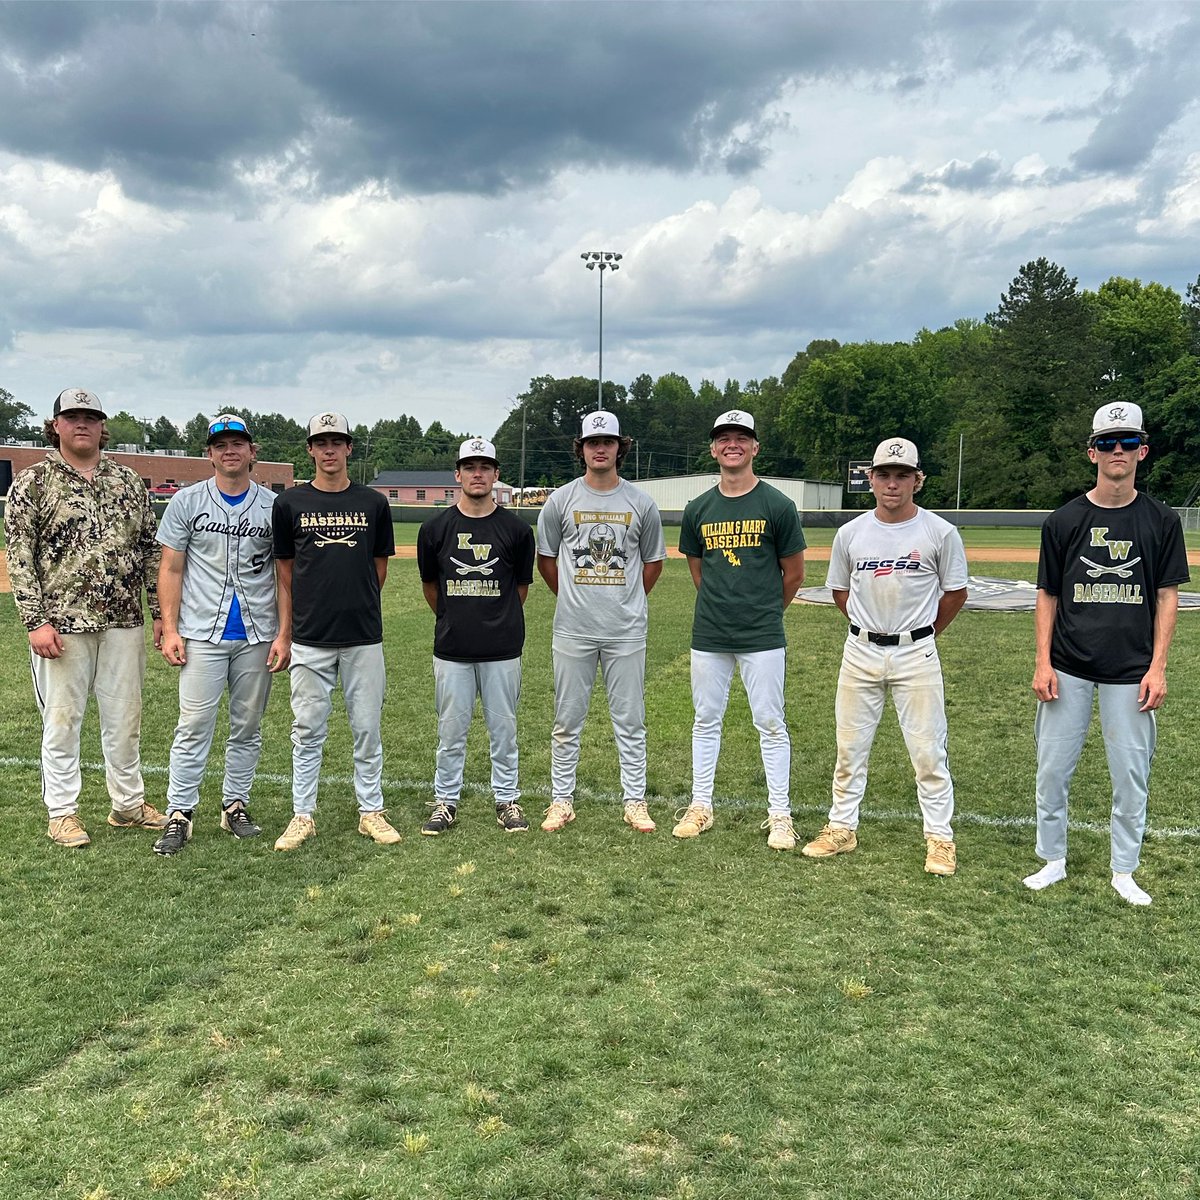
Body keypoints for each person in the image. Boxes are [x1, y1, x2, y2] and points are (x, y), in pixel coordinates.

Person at [1024, 402, 1188, 906]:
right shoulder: (1065, 520)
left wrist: (1158, 667)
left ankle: (1124, 870)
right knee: (1052, 769)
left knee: (1131, 776)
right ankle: (1052, 860)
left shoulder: (1161, 520)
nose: (1118, 452)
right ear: (1092, 451)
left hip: (1132, 670)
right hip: (1068, 666)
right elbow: (1047, 594)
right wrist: (1042, 660)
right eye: (1108, 443)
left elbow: (1166, 595)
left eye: (1128, 443)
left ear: (1143, 450)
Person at [5, 388, 166, 847]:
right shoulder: (33, 482)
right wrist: (35, 621)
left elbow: (149, 550)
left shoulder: (128, 482)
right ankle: (62, 813)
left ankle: (128, 805)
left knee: (124, 718)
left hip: (123, 619)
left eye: (90, 417)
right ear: (55, 424)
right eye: (72, 416)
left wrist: (158, 611)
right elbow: (19, 556)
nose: (82, 424)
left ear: (102, 426)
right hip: (61, 624)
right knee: (61, 720)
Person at [801, 437, 968, 876]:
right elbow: (840, 590)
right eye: (885, 475)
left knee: (928, 751)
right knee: (849, 748)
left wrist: (924, 632)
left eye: (903, 475)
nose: (893, 484)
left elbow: (955, 593)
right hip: (860, 651)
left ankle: (939, 838)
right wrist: (866, 626)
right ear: (870, 479)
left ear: (918, 480)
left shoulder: (939, 532)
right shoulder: (851, 533)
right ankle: (841, 827)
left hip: (916, 653)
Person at [151, 414, 292, 856]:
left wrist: (284, 634)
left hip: (257, 632)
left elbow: (284, 574)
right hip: (201, 632)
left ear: (253, 452)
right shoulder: (187, 502)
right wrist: (170, 628)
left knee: (247, 727)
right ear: (209, 454)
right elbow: (170, 568)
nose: (229, 451)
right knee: (193, 725)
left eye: (238, 443)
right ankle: (180, 813)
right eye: (220, 445)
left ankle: (235, 804)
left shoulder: (274, 506)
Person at [675, 410, 806, 849]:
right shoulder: (698, 508)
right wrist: (722, 606)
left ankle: (780, 814)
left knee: (770, 722)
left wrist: (765, 611)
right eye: (724, 439)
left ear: (755, 448)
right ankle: (700, 805)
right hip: (710, 633)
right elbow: (698, 570)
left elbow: (794, 574)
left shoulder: (776, 505)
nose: (733, 445)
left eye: (741, 438)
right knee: (705, 720)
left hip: (762, 634)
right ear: (713, 449)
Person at [271, 412, 399, 851]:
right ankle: (302, 814)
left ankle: (371, 811)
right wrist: (293, 626)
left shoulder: (373, 503)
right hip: (310, 636)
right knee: (307, 729)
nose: (329, 449)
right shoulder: (289, 504)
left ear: (349, 448)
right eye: (320, 442)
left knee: (367, 727)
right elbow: (286, 570)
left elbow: (378, 568)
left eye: (337, 442)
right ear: (309, 449)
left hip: (363, 634)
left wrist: (353, 598)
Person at [536, 411, 666, 833]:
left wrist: (624, 600)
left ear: (619, 448)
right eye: (592, 442)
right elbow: (547, 560)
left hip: (625, 630)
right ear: (582, 449)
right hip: (573, 628)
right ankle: (561, 801)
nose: (600, 449)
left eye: (607, 442)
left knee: (630, 721)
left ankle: (635, 801)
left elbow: (651, 564)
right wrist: (575, 598)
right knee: (566, 721)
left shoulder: (640, 503)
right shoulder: (561, 500)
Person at [416, 437, 536, 835]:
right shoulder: (435, 529)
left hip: (502, 648)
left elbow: (519, 589)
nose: (478, 473)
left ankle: (507, 800)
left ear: (496, 474)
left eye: (485, 467)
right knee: (451, 732)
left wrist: (494, 618)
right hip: (452, 649)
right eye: (470, 467)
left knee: (504, 730)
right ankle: (445, 801)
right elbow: (433, 588)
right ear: (458, 474)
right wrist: (456, 617)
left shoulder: (517, 530)